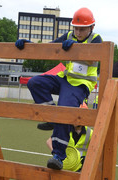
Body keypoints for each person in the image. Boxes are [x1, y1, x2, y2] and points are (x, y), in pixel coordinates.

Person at [15, 7, 102, 170]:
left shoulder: (96, 39)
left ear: (92, 27)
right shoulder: (70, 36)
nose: (78, 32)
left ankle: (59, 155)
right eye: (75, 28)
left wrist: (75, 47)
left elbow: (91, 55)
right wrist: (29, 45)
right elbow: (51, 48)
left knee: (64, 110)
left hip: (80, 84)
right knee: (35, 83)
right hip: (65, 78)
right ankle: (52, 118)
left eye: (82, 29)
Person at [46, 103, 92, 172]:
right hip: (63, 166)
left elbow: (95, 150)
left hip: (80, 168)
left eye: (79, 117)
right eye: (74, 116)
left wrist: (88, 159)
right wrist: (57, 154)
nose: (76, 119)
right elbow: (49, 141)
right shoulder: (64, 129)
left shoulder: (90, 133)